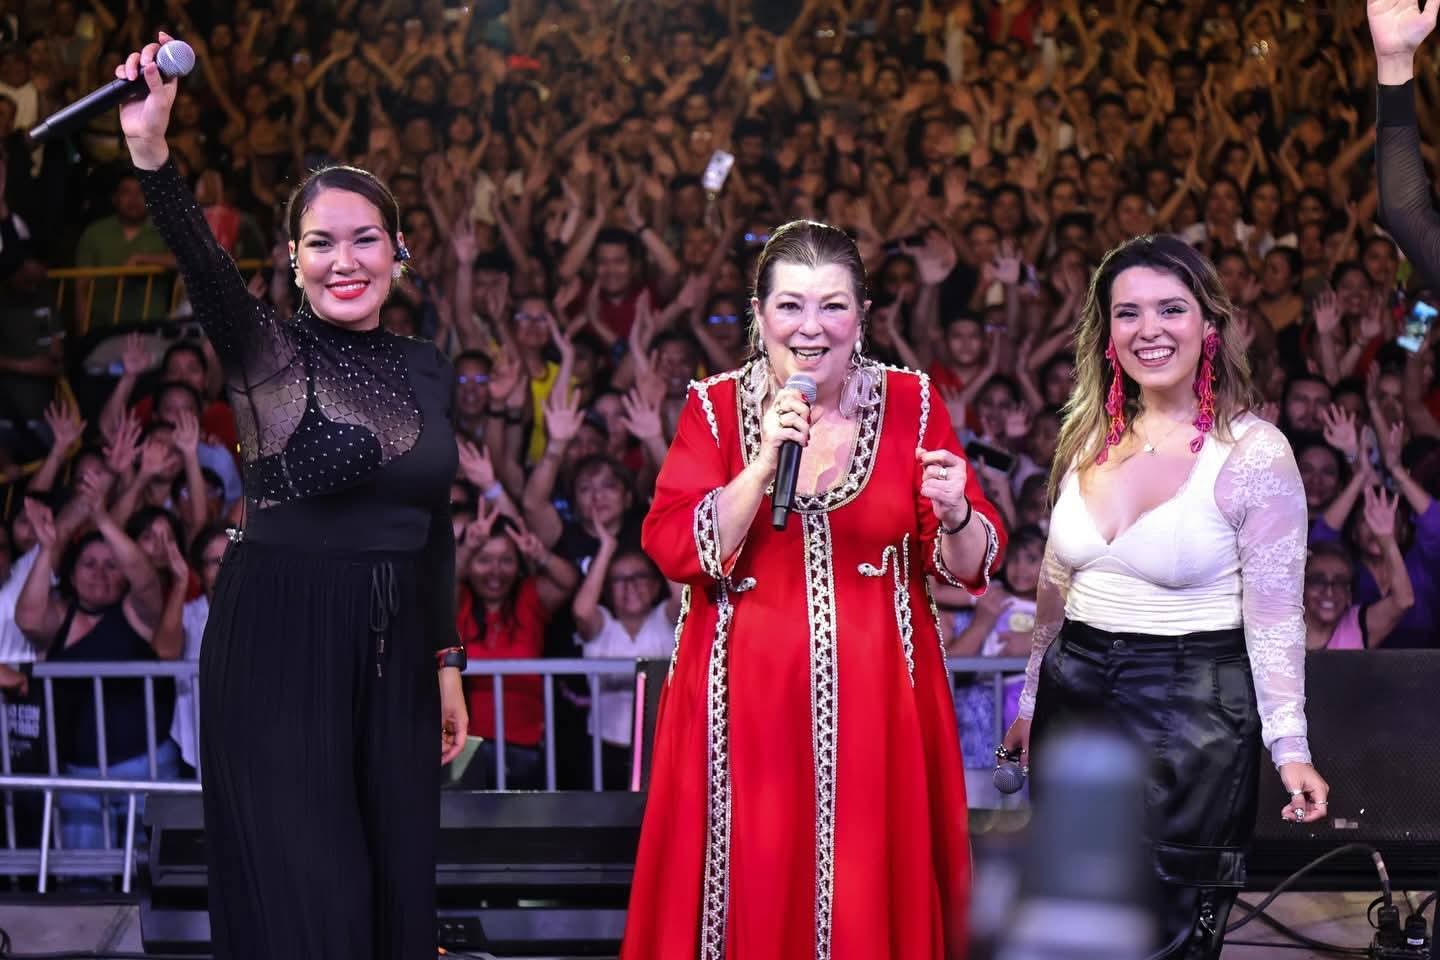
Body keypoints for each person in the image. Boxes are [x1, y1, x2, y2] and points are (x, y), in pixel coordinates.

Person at [115, 34, 467, 960]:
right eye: (321, 242)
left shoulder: (429, 366)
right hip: (279, 639)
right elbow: (201, 261)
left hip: (396, 656)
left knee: (393, 893)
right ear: (293, 258)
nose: (344, 260)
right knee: (316, 903)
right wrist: (151, 151)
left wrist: (446, 664)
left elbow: (433, 528)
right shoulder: (266, 351)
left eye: (364, 239)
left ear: (399, 250)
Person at [622, 220, 1006, 959]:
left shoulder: (913, 402)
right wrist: (764, 461)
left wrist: (958, 512)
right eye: (790, 305)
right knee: (753, 884)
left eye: (833, 305)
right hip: (741, 710)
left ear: (862, 315)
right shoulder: (715, 407)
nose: (811, 326)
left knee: (869, 890)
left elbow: (968, 565)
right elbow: (675, 546)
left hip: (882, 708)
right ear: (759, 315)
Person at [1002, 234, 1330, 959]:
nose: (1149, 329)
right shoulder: (1088, 435)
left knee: (1163, 933)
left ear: (1209, 324)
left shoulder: (1254, 452)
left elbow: (1276, 615)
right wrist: (1030, 700)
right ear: (1107, 332)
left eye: (1171, 309)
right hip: (1074, 695)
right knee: (1074, 922)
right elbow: (1055, 584)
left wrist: (1290, 747)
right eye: (1128, 313)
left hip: (1191, 707)